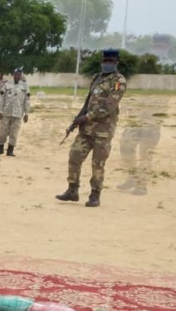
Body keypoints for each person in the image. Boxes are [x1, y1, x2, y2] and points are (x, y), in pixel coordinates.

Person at [56, 49, 126, 208]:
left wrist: (86, 117)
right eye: (105, 61)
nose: (106, 64)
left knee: (97, 164)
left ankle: (95, 195)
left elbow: (109, 106)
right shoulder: (97, 77)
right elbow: (88, 102)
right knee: (74, 156)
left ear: (116, 63)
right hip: (86, 129)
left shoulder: (119, 81)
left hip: (103, 130)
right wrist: (78, 118)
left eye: (110, 61)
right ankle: (72, 190)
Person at [0, 67, 30, 157]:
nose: (17, 76)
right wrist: (0, 111)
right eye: (16, 74)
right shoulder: (7, 85)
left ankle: (10, 150)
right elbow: (1, 98)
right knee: (3, 131)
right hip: (6, 112)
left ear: (21, 76)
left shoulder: (25, 87)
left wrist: (26, 113)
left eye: (19, 75)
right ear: (13, 75)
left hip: (18, 113)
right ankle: (0, 148)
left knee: (14, 132)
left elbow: (27, 100)